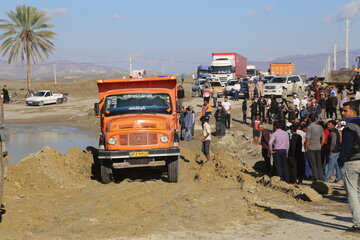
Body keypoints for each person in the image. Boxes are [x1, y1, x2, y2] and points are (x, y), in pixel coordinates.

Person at [338, 101, 360, 232]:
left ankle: (358, 224)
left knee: (352, 194)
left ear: (354, 111)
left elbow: (346, 148)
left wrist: (341, 161)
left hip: (352, 162)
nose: (342, 113)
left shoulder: (350, 126)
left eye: (345, 110)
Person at [305, 114, 326, 180]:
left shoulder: (309, 127)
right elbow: (323, 137)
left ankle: (316, 178)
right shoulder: (320, 127)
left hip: (311, 147)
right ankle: (320, 177)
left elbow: (308, 139)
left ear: (310, 119)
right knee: (319, 163)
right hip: (318, 147)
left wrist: (306, 147)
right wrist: (321, 144)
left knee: (313, 164)